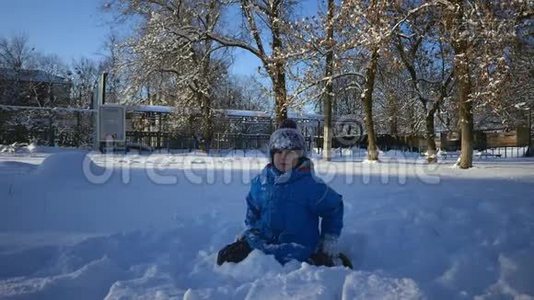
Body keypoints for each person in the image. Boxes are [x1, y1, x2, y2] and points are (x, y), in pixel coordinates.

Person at [217, 119, 349, 267]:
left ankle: (326, 259)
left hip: (299, 247)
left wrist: (329, 238)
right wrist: (250, 230)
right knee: (225, 258)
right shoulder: (261, 182)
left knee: (310, 265)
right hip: (263, 244)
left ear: (300, 155)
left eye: (290, 152)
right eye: (278, 152)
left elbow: (334, 207)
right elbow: (253, 206)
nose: (283, 156)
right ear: (271, 155)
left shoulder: (311, 185)